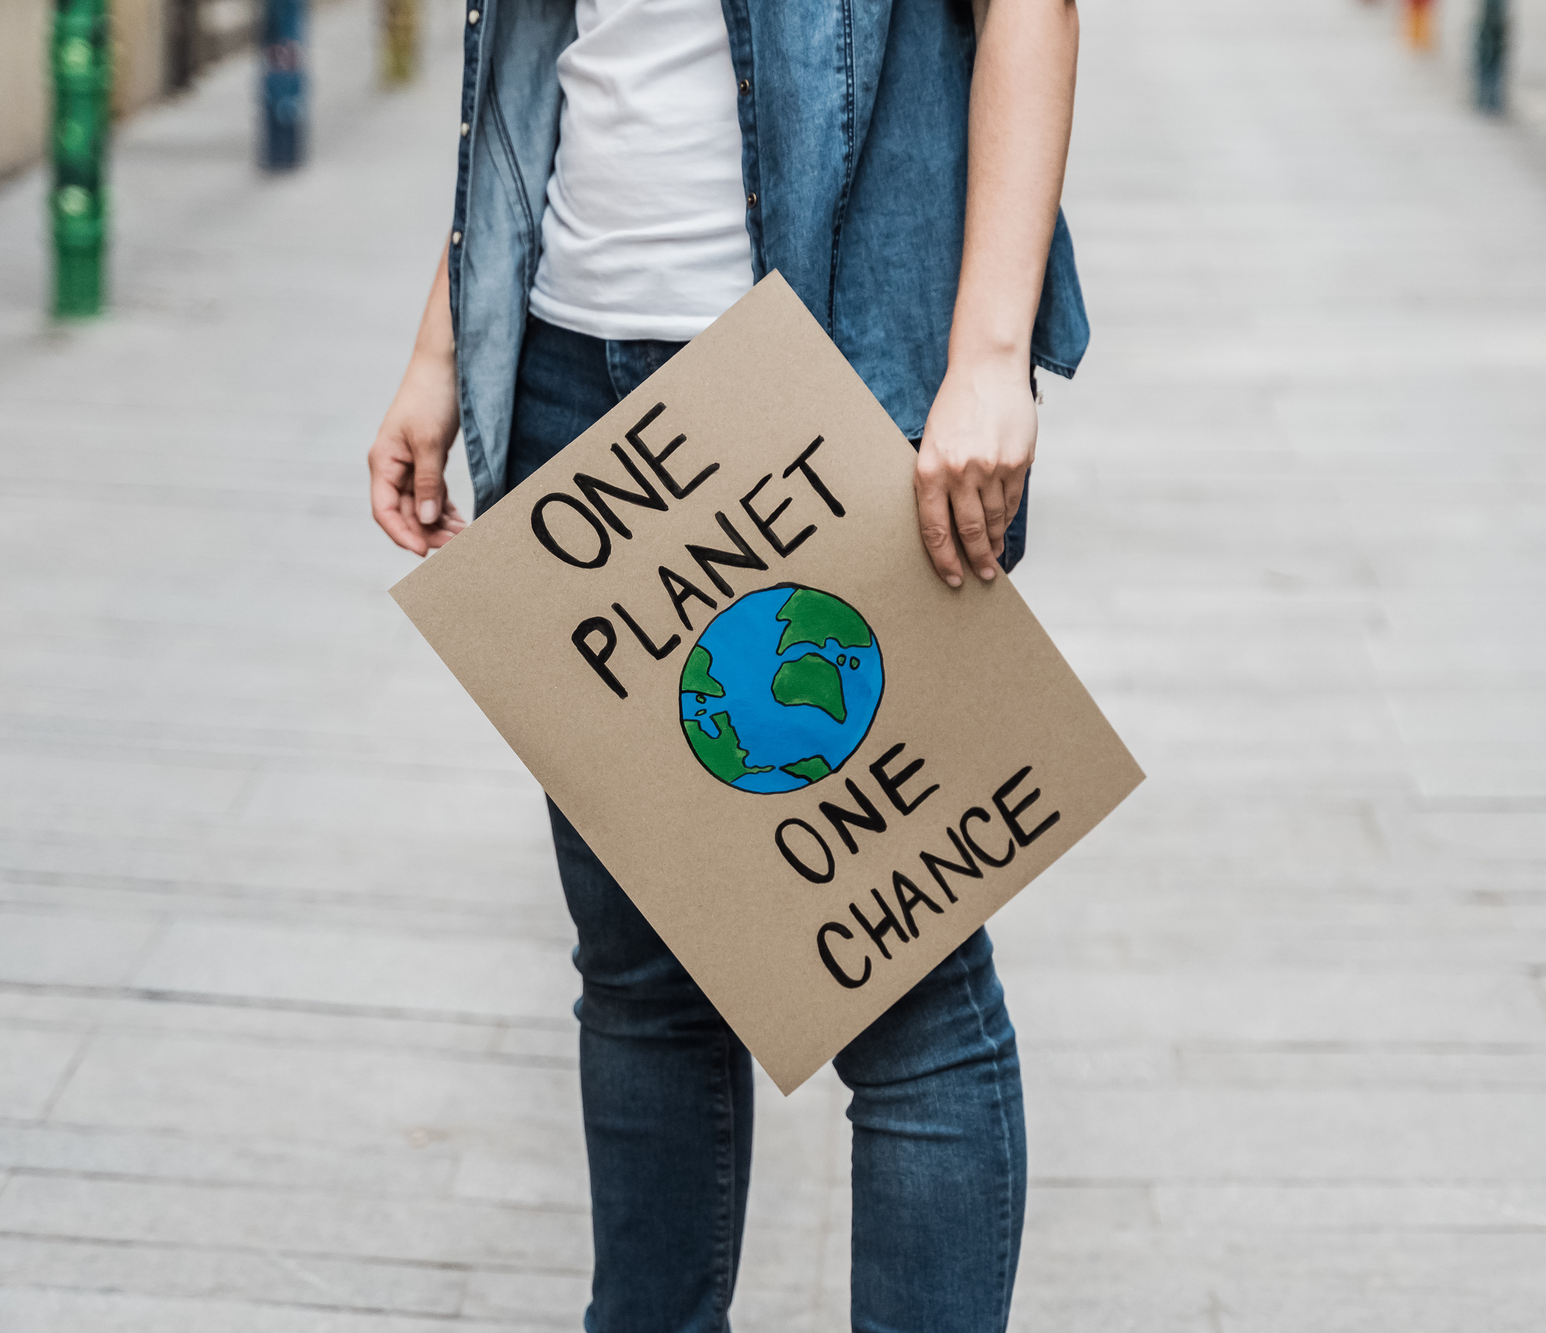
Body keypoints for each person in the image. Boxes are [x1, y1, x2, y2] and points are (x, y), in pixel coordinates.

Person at [366, 0, 1085, 1327]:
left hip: (826, 373)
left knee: (906, 991)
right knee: (637, 976)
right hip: (571, 378)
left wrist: (990, 356)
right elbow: (554, 49)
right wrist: (441, 341)